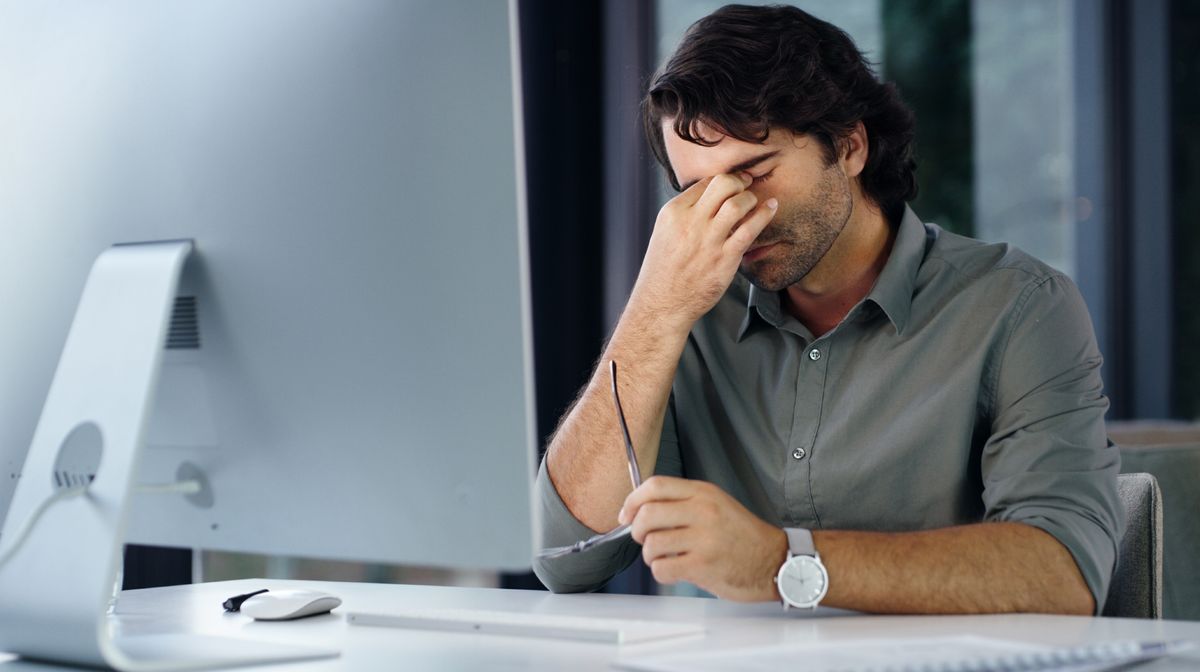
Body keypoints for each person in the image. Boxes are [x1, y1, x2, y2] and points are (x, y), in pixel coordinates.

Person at [532, 4, 1121, 615]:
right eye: (698, 192)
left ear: (849, 145)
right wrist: (655, 309)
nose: (729, 211)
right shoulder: (686, 315)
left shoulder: (1018, 307)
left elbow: (1061, 575)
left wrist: (780, 562)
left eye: (753, 171)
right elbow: (569, 557)